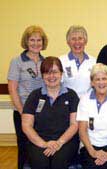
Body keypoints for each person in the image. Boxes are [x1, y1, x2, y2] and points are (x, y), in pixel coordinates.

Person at [22, 57, 79, 169]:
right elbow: (26, 126)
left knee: (59, 162)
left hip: (65, 141)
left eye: (55, 72)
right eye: (47, 73)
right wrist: (44, 144)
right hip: (39, 140)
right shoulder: (35, 95)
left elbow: (74, 125)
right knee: (40, 162)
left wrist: (59, 142)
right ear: (42, 75)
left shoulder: (71, 95)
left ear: (61, 74)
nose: (51, 76)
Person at [7, 25, 48, 169]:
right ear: (26, 41)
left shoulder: (46, 62)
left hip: (41, 113)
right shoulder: (17, 61)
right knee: (24, 147)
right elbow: (12, 89)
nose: (36, 43)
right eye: (32, 40)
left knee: (39, 147)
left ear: (43, 42)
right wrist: (23, 112)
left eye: (39, 40)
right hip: (22, 112)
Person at [77, 63, 107, 169]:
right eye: (97, 79)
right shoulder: (84, 99)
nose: (101, 82)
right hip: (89, 146)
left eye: (104, 78)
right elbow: (82, 130)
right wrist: (92, 152)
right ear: (92, 83)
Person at [60, 25, 96, 97]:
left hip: (88, 103)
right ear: (68, 42)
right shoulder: (61, 61)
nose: (77, 42)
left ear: (85, 41)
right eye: (73, 39)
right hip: (67, 103)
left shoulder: (94, 62)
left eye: (80, 38)